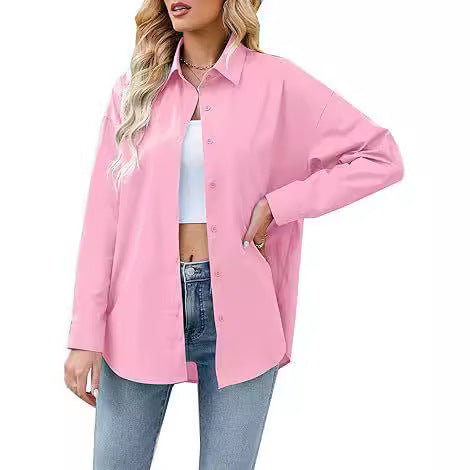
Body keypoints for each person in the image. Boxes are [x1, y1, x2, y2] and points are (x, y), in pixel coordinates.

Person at [64, 0, 404, 468]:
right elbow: (103, 220)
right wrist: (85, 333)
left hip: (243, 310)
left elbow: (380, 157)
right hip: (137, 309)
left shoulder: (277, 83)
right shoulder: (133, 90)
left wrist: (280, 205)